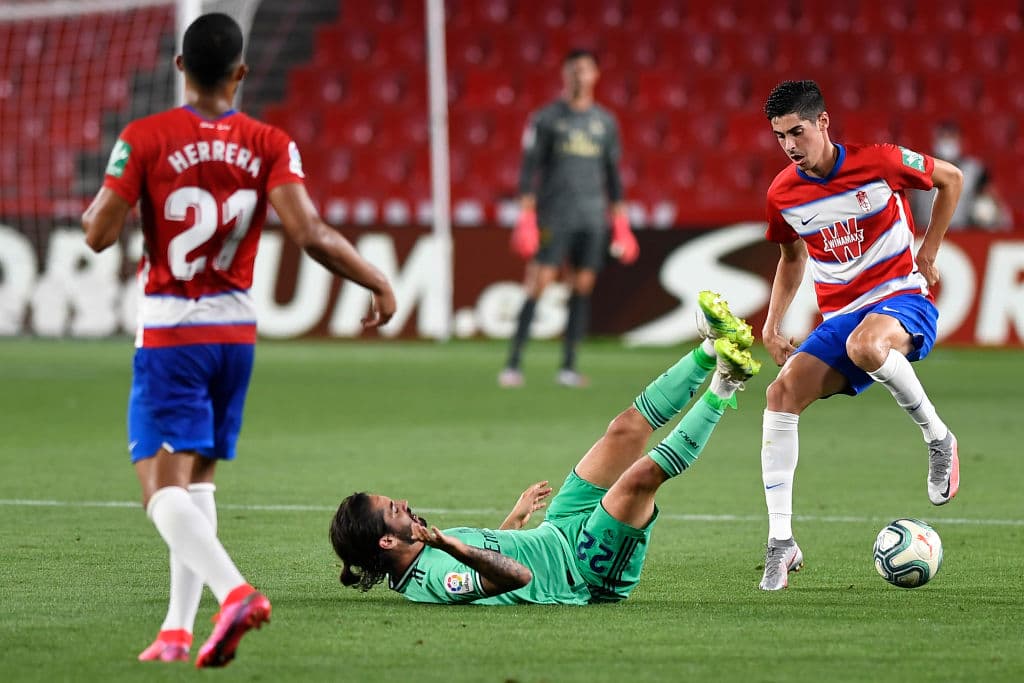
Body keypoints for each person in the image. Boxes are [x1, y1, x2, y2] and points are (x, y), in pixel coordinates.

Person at [82, 14, 396, 667]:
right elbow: (309, 233)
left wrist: (117, 188)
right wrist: (375, 279)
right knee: (198, 481)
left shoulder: (145, 137)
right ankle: (175, 629)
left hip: (172, 332)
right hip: (235, 334)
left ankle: (235, 592)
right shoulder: (268, 141)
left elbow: (98, 233)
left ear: (178, 66)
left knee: (158, 487)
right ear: (241, 73)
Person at [332, 292, 758, 605]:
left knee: (623, 431)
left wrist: (513, 521)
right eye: (393, 510)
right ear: (387, 542)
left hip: (557, 527)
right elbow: (516, 576)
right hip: (583, 571)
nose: (403, 503)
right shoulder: (433, 579)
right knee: (639, 479)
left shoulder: (429, 551)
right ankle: (726, 383)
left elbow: (493, 558)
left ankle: (709, 345)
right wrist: (450, 545)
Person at [757, 80, 963, 591]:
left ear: (823, 123)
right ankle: (781, 542)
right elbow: (790, 258)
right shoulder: (782, 193)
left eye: (797, 132)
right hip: (840, 318)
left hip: (902, 302)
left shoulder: (880, 162)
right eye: (780, 136)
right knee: (780, 394)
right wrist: (772, 322)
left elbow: (952, 179)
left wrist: (930, 250)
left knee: (866, 346)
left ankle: (938, 437)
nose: (789, 145)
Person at [499, 48, 639, 389]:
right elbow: (529, 168)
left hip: (592, 217)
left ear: (595, 76)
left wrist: (620, 220)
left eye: (586, 70)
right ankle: (514, 363)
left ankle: (569, 366)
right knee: (538, 282)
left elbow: (612, 173)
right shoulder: (546, 118)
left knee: (582, 287)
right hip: (554, 215)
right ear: (565, 75)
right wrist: (527, 215)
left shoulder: (605, 122)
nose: (580, 76)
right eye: (574, 70)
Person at [909, 120, 1012, 231]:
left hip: (962, 232)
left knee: (985, 208)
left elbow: (993, 199)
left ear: (960, 141)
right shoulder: (920, 168)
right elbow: (911, 205)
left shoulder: (974, 170)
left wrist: (999, 219)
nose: (947, 142)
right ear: (935, 140)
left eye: (951, 136)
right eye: (943, 136)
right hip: (924, 231)